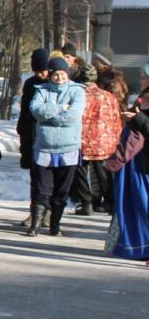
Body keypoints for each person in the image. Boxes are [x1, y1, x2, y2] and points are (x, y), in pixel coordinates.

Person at [27, 57, 86, 237]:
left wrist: (50, 116)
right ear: (50, 75)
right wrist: (61, 107)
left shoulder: (77, 91)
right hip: (44, 147)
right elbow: (36, 110)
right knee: (41, 188)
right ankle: (35, 225)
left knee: (62, 190)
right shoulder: (42, 90)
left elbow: (73, 115)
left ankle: (55, 225)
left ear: (67, 74)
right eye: (55, 74)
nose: (59, 77)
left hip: (68, 148)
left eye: (62, 74)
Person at [72, 64, 122, 215]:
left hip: (81, 139)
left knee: (80, 170)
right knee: (103, 173)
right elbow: (116, 119)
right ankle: (110, 202)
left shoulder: (77, 95)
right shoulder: (108, 96)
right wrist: (115, 138)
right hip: (103, 141)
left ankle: (86, 202)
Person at [105, 91, 149, 261]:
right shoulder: (142, 98)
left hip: (143, 167)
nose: (143, 80)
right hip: (134, 164)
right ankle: (134, 247)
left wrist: (138, 119)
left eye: (145, 77)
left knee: (144, 207)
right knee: (131, 206)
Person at [17, 49, 52, 228]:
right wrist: (22, 132)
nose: (41, 74)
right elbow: (24, 110)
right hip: (30, 135)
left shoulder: (54, 83)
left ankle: (47, 211)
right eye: (37, 71)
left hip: (49, 137)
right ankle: (34, 211)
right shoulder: (30, 84)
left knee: (48, 178)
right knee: (34, 177)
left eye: (43, 70)